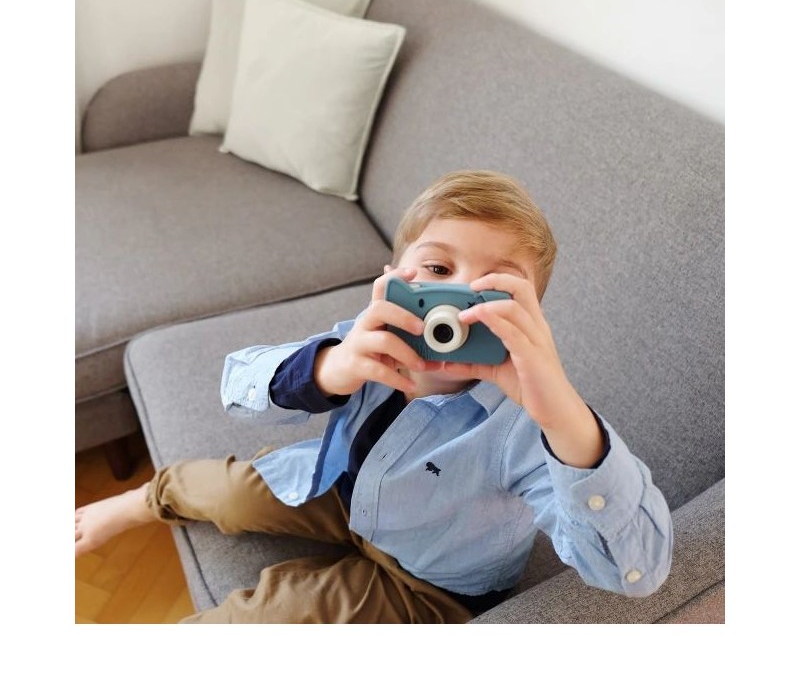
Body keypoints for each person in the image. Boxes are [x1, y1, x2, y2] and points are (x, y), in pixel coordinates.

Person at [75, 170, 673, 623]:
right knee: (232, 491)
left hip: (428, 582)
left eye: (494, 287)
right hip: (342, 491)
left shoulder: (527, 426)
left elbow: (637, 571)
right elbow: (236, 385)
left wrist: (562, 413)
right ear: (390, 277)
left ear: (533, 316)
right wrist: (328, 368)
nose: (458, 300)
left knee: (265, 622)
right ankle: (142, 500)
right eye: (437, 269)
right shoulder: (369, 338)